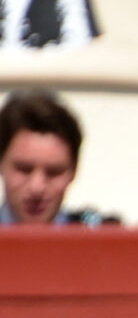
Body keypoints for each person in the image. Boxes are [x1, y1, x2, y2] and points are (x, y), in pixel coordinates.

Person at [0, 91, 111, 226]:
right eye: (24, 169)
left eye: (53, 172)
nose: (37, 188)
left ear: (74, 170)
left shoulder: (100, 237)